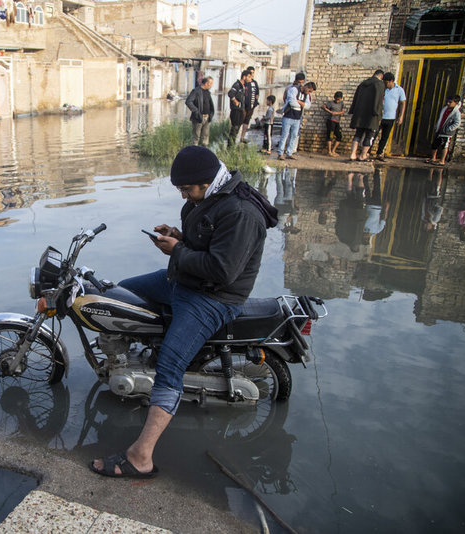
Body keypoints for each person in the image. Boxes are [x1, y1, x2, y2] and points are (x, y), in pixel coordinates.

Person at [89, 146, 277, 478]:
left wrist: (177, 251)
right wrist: (178, 238)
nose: (182, 195)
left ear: (207, 182)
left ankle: (141, 457)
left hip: (212, 297)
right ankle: (132, 360)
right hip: (186, 280)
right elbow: (207, 242)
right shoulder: (211, 197)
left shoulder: (241, 212)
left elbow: (222, 270)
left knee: (170, 365)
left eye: (186, 189)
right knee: (121, 294)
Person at [348, 70, 385, 162]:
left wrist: (353, 111)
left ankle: (353, 154)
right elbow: (379, 100)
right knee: (370, 135)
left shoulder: (363, 84)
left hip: (359, 114)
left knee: (358, 134)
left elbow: (355, 98)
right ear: (381, 76)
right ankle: (363, 155)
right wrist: (378, 113)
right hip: (371, 115)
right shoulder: (379, 84)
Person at [277, 80, 315, 161]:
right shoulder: (294, 90)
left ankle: (289, 153)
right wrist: (302, 104)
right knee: (285, 135)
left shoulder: (307, 95)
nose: (308, 93)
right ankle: (280, 153)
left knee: (294, 136)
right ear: (306, 87)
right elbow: (292, 102)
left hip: (297, 118)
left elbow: (308, 106)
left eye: (310, 92)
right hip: (288, 116)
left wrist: (299, 102)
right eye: (309, 90)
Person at [373, 73, 406, 161]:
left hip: (390, 117)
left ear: (391, 81)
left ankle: (379, 153)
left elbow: (403, 103)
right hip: (380, 117)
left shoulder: (399, 90)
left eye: (386, 82)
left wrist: (401, 116)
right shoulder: (383, 89)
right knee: (374, 134)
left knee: (385, 136)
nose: (385, 84)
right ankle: (367, 152)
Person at [426, 95, 462, 166]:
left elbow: (457, 123)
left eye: (450, 102)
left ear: (456, 103)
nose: (448, 103)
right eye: (447, 102)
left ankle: (442, 161)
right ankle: (433, 158)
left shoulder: (456, 113)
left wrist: (449, 129)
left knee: (444, 146)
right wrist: (438, 126)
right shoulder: (445, 109)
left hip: (446, 133)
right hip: (440, 130)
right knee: (435, 144)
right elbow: (441, 118)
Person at [185, 76, 214, 147]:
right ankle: (194, 153)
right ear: (206, 83)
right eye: (211, 84)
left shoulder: (208, 92)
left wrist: (211, 114)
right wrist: (196, 112)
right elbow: (188, 101)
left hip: (207, 117)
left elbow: (210, 104)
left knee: (205, 137)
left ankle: (204, 153)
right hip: (198, 118)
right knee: (196, 137)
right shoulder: (196, 91)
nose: (211, 86)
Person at [228, 69, 252, 146]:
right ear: (244, 77)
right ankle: (230, 146)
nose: (250, 79)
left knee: (237, 128)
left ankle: (232, 144)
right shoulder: (237, 85)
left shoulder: (243, 86)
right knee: (234, 128)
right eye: (249, 77)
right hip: (236, 111)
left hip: (241, 110)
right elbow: (230, 93)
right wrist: (235, 101)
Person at [240, 65, 260, 143]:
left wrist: (255, 102)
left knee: (246, 121)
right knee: (240, 121)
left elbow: (257, 94)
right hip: (243, 106)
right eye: (250, 73)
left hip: (251, 107)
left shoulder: (255, 83)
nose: (252, 75)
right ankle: (237, 137)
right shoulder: (244, 83)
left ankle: (242, 137)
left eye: (253, 73)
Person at [322, 91, 345, 157]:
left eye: (339, 99)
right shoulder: (331, 103)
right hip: (331, 122)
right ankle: (329, 151)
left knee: (339, 136)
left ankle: (333, 150)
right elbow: (323, 107)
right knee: (330, 136)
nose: (338, 100)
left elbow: (343, 111)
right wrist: (330, 112)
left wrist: (336, 113)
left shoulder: (342, 103)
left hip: (337, 122)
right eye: (337, 99)